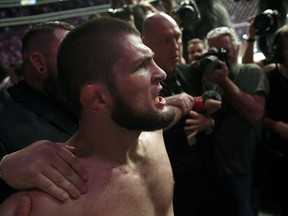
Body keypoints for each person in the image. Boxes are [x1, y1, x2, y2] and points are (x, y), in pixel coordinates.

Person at [0, 16, 176, 216]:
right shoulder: (44, 204)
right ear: (98, 99)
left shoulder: (153, 133)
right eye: (140, 66)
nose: (161, 72)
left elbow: (171, 109)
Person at [0, 21, 88, 204]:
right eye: (71, 55)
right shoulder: (4, 113)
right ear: (39, 62)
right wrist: (4, 169)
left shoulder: (89, 98)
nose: (83, 66)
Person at [142, 12, 220, 215]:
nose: (175, 46)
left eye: (177, 37)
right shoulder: (142, 86)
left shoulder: (192, 72)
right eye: (166, 40)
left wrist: (208, 123)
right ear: (145, 43)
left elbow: (216, 106)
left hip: (207, 176)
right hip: (172, 185)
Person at [202, 26, 269, 216]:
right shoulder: (209, 78)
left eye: (225, 51)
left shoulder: (250, 72)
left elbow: (255, 113)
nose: (220, 57)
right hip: (215, 168)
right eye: (214, 52)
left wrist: (224, 81)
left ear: (237, 48)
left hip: (243, 169)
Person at [255, 24, 288, 216]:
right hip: (279, 159)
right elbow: (259, 116)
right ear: (278, 52)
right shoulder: (270, 77)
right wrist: (276, 126)